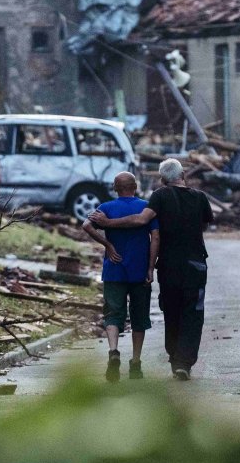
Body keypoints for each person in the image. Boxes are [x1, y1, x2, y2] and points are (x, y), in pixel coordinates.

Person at [89, 158, 213, 381]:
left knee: (172, 312)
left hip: (169, 266)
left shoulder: (160, 196)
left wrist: (108, 225)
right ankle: (184, 362)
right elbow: (204, 223)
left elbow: (140, 220)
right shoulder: (200, 197)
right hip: (195, 266)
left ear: (163, 179)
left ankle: (175, 360)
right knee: (193, 314)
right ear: (183, 174)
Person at [83, 172, 159, 382]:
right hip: (140, 270)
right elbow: (156, 238)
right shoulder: (147, 207)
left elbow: (86, 226)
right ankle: (135, 363)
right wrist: (151, 268)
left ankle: (114, 351)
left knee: (113, 313)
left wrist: (107, 245)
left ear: (115, 188)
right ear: (135, 186)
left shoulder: (106, 208)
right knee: (139, 317)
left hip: (114, 269)